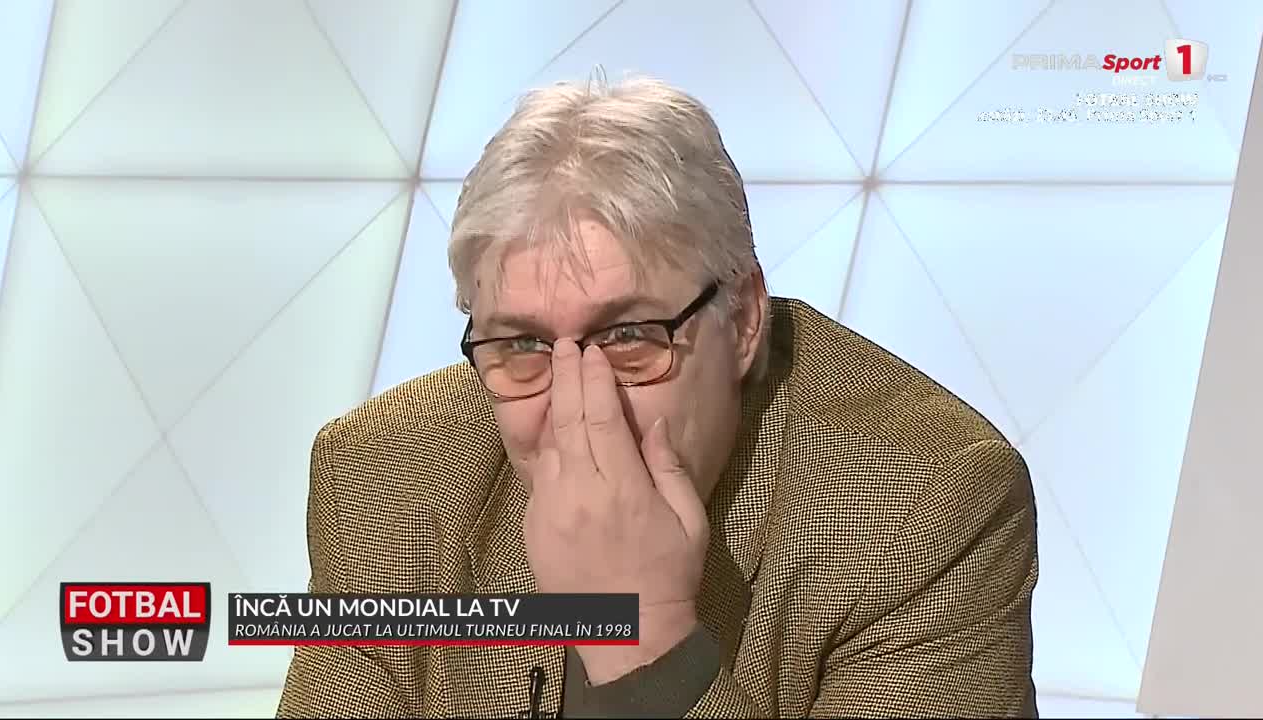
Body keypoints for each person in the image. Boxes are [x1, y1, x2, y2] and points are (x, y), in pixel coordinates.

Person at [276, 73, 1039, 719]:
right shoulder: (382, 477)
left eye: (629, 337)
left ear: (743, 319)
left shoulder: (928, 505)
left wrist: (649, 645)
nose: (579, 405)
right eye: (524, 345)